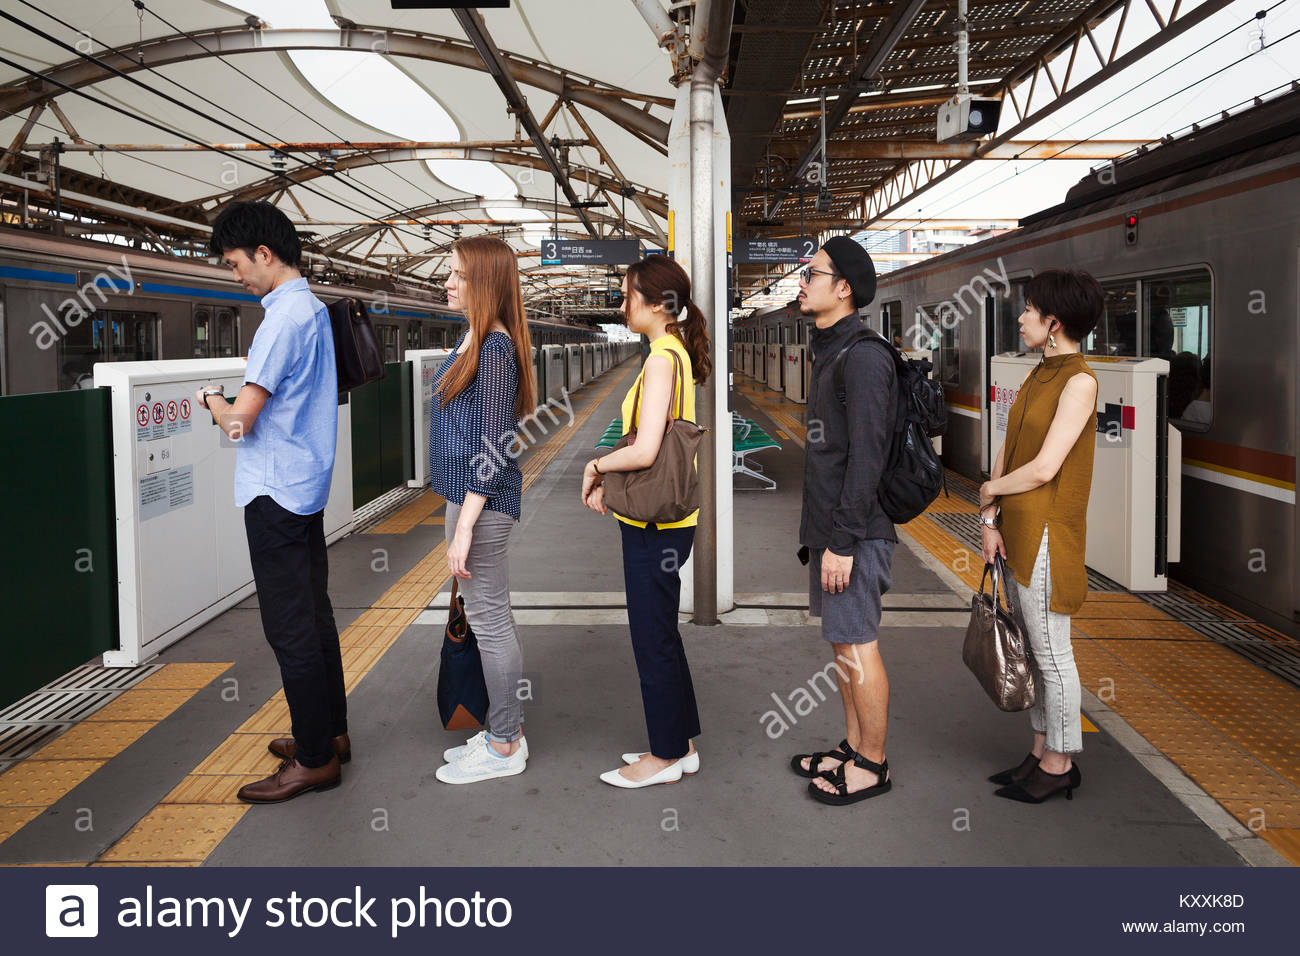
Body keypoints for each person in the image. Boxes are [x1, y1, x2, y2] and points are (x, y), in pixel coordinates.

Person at [198, 201, 345, 804]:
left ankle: (313, 760)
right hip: (304, 488)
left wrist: (212, 398)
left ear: (264, 253)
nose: (236, 276)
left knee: (290, 630)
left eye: (236, 264)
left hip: (273, 492)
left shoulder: (281, 322)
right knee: (315, 616)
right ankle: (328, 734)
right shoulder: (311, 310)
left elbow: (240, 425)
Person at [581, 255, 712, 789]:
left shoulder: (662, 357)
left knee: (650, 635)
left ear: (658, 303)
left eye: (627, 293)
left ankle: (662, 757)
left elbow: (646, 449)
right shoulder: (672, 351)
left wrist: (594, 466)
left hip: (654, 524)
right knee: (661, 631)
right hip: (668, 521)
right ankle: (678, 742)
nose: (621, 303)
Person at [980, 269, 1102, 804]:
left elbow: (1045, 468)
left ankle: (1060, 763)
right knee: (1031, 649)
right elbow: (1011, 448)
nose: (1021, 317)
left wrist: (988, 487)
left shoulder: (1079, 381)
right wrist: (989, 519)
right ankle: (1038, 751)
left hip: (1049, 535)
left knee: (1053, 654)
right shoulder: (1037, 373)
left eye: (1029, 309)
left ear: (1054, 322)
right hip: (1017, 529)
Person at [788, 236, 898, 807]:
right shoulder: (833, 348)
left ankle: (872, 765)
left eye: (812, 273)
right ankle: (853, 749)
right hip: (833, 532)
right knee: (842, 646)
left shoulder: (864, 355)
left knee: (858, 646)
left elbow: (867, 456)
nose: (802, 281)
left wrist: (844, 541)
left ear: (844, 287)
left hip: (855, 534)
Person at [431, 235, 537, 785]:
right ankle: (502, 728)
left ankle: (504, 744)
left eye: (457, 274)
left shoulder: (494, 350)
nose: (447, 282)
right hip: (469, 500)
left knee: (491, 624)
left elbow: (496, 445)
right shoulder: (477, 338)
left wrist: (464, 527)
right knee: (492, 618)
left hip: (484, 505)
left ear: (485, 283)